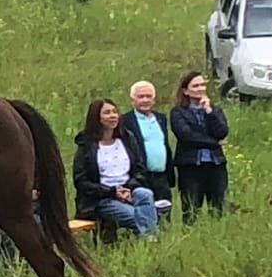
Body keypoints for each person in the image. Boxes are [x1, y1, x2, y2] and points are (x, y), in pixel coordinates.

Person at [72, 99, 159, 238]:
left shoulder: (127, 138)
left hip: (129, 191)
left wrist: (128, 188)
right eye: (107, 113)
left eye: (115, 112)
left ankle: (148, 240)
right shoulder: (87, 144)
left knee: (145, 194)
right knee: (138, 216)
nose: (113, 116)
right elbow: (81, 181)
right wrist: (113, 192)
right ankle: (150, 241)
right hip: (102, 198)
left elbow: (140, 169)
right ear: (97, 118)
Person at [169, 72, 230, 218]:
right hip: (191, 165)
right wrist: (214, 143)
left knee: (218, 208)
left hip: (216, 164)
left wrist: (209, 111)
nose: (200, 88)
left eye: (202, 85)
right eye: (195, 86)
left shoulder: (215, 110)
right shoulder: (178, 112)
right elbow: (187, 136)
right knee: (191, 208)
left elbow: (221, 131)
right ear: (185, 91)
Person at [125, 81, 173, 204]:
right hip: (141, 177)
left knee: (164, 212)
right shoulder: (125, 121)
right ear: (133, 100)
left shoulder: (161, 118)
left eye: (148, 96)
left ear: (154, 99)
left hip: (161, 176)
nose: (145, 100)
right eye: (141, 97)